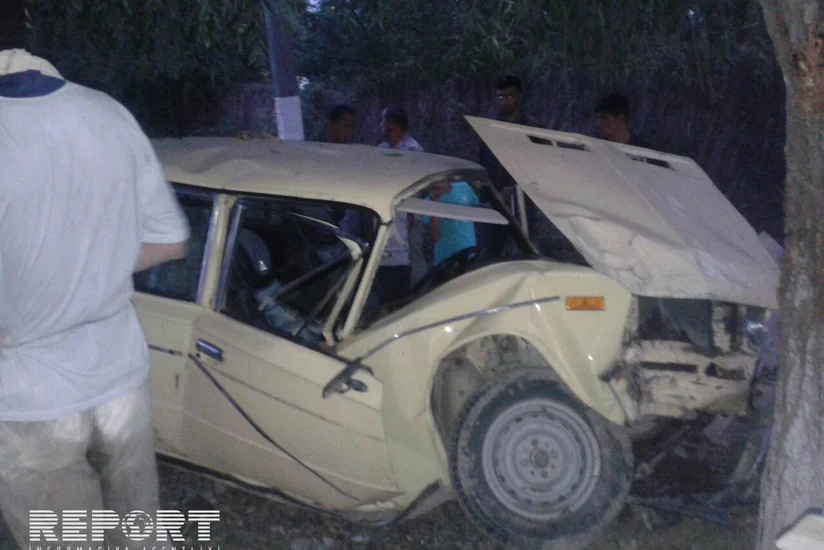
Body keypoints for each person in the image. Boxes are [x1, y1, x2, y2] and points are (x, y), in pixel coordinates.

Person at [0, 49, 190, 549]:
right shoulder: (109, 113)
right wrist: (89, 266)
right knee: (137, 527)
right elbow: (170, 241)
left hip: (31, 396)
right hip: (120, 378)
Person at [422, 181, 481, 266]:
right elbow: (435, 237)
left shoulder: (463, 187)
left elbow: (478, 209)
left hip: (469, 254)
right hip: (445, 259)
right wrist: (435, 205)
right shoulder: (427, 202)